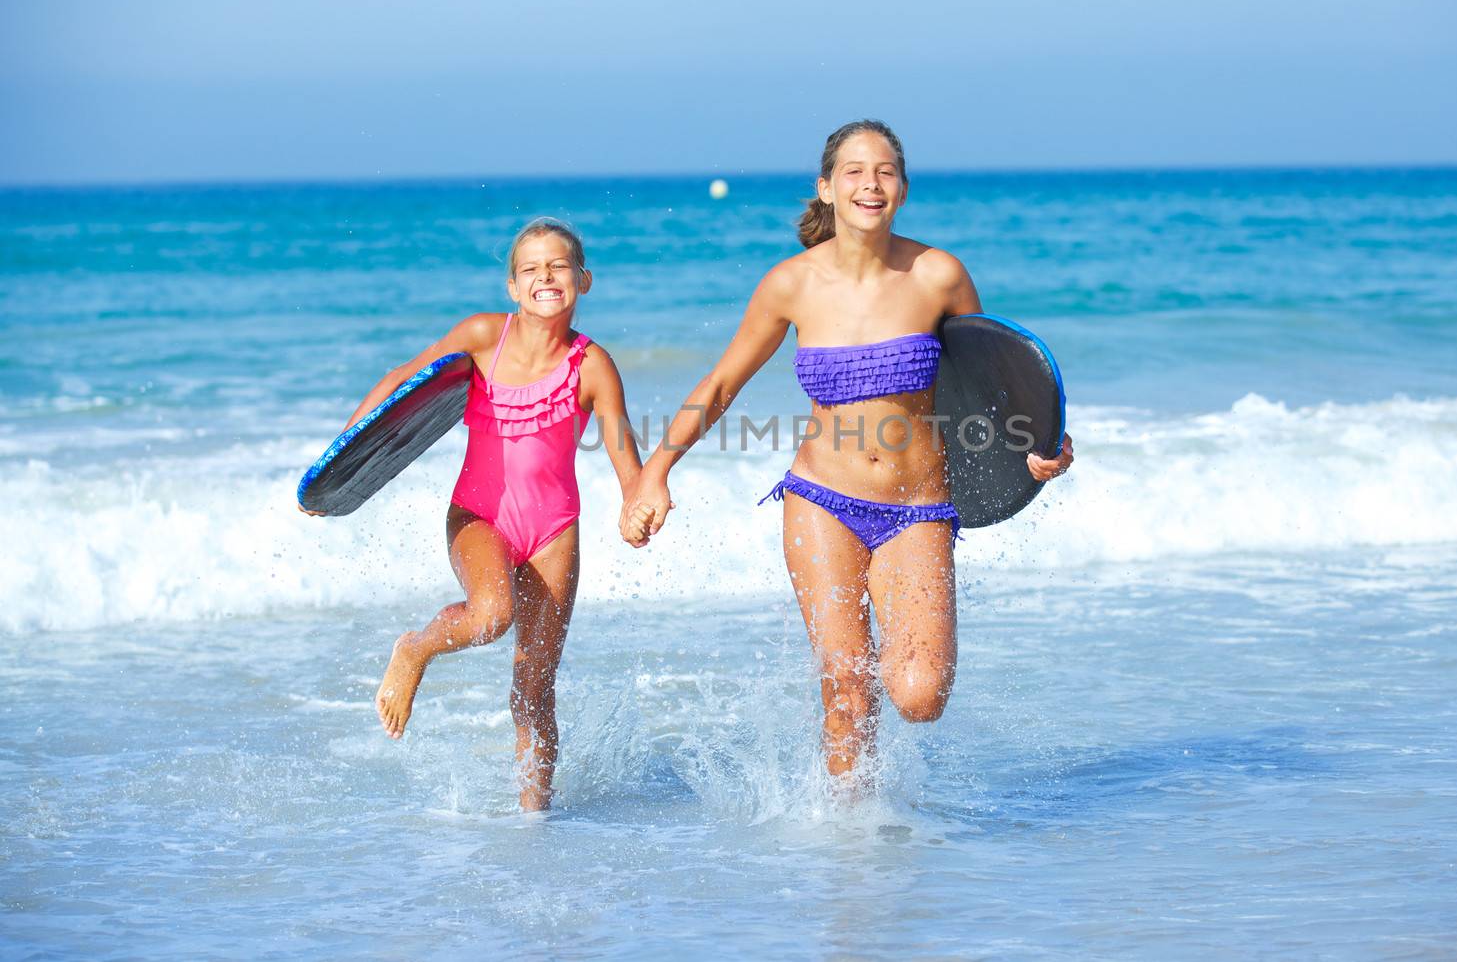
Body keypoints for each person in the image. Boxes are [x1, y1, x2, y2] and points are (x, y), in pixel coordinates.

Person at [619, 120, 1072, 784]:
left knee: (918, 693)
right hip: (820, 500)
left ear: (904, 188)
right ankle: (851, 858)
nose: (870, 183)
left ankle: (876, 785)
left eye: (885, 170)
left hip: (917, 507)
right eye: (854, 171)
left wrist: (1038, 447)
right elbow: (719, 385)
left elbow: (990, 384)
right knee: (847, 692)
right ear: (826, 188)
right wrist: (655, 471)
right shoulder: (791, 284)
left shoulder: (938, 274)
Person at [306, 218, 643, 811]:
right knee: (491, 615)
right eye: (531, 268)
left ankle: (534, 816)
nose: (546, 276)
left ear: (584, 280)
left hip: (554, 530)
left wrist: (638, 498)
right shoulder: (485, 336)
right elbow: (399, 383)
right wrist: (342, 461)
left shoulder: (593, 366)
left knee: (535, 684)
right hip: (478, 517)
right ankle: (415, 648)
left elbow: (620, 446)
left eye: (559, 265)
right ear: (513, 286)